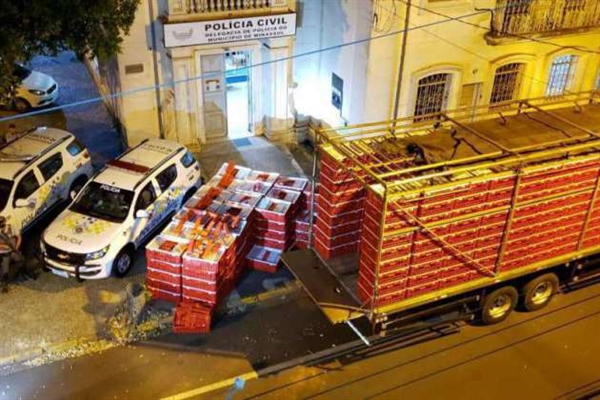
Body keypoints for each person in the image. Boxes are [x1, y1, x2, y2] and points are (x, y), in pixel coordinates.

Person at [0, 216, 22, 292]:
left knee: (21, 260)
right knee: (4, 271)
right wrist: (3, 246)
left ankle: (11, 276)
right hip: (3, 254)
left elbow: (18, 236)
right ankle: (4, 286)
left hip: (12, 251)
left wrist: (16, 247)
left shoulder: (10, 227)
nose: (2, 227)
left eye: (3, 225)